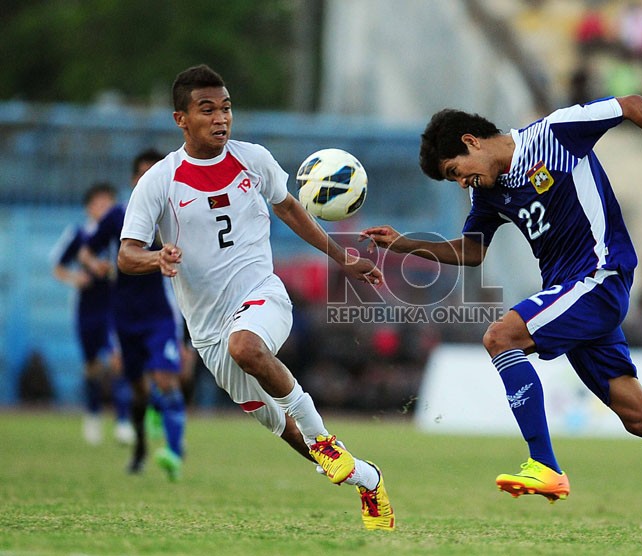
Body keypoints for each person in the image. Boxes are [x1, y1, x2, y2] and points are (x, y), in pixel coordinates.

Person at [361, 94, 642, 541]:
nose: (461, 183)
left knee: (501, 337)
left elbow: (632, 105)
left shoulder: (555, 134)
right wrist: (403, 244)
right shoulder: (489, 192)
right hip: (573, 296)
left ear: (470, 141)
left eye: (455, 172)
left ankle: (545, 465)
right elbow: (472, 252)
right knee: (641, 419)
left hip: (601, 276)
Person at [116, 64, 394, 530]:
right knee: (282, 428)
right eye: (207, 110)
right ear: (181, 119)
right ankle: (368, 479)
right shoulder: (159, 182)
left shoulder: (254, 159)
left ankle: (324, 439)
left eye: (226, 108)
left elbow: (291, 210)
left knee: (246, 346)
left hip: (262, 295)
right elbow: (126, 254)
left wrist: (343, 258)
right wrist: (155, 258)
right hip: (207, 331)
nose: (221, 118)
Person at [80, 150, 187, 481]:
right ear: (133, 180)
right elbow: (86, 249)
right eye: (142, 174)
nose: (147, 180)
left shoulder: (174, 214)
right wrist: (93, 264)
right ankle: (141, 446)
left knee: (166, 379)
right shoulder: (117, 216)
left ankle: (174, 452)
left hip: (160, 313)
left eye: (154, 173)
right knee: (139, 389)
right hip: (124, 315)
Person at [52, 182, 133, 446]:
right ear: (88, 207)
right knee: (92, 367)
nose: (103, 208)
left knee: (118, 360)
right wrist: (77, 278)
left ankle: (122, 421)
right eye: (98, 203)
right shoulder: (78, 234)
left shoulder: (121, 233)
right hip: (87, 308)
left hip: (114, 306)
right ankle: (93, 414)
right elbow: (59, 268)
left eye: (108, 203)